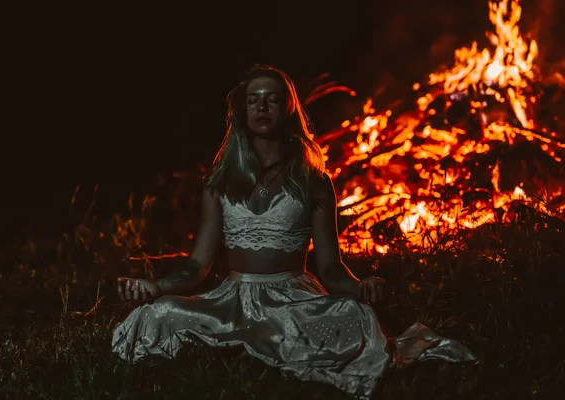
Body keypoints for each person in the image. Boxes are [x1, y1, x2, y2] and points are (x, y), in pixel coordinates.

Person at [112, 64, 476, 399]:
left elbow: (331, 267)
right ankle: (248, 338)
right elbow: (197, 266)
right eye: (253, 100)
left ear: (288, 108)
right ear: (242, 111)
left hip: (293, 298)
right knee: (156, 314)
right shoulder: (219, 181)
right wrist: (155, 288)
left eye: (272, 99)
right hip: (234, 298)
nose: (262, 107)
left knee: (353, 315)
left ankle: (261, 342)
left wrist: (358, 287)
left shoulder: (313, 182)